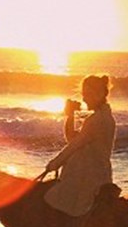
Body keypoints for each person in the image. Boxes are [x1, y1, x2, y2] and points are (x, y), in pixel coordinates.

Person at [44, 74, 117, 218]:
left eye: (88, 94)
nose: (84, 99)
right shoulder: (101, 116)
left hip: (88, 176)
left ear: (99, 94)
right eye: (84, 94)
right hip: (91, 171)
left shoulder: (97, 120)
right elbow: (73, 138)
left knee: (52, 199)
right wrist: (70, 116)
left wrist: (54, 164)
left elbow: (74, 145)